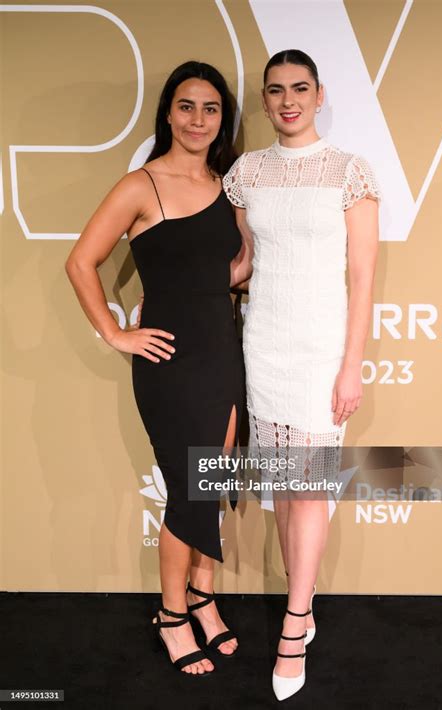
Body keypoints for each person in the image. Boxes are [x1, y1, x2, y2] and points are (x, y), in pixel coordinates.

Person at [65, 61, 250, 676]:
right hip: (170, 363)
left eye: (212, 108)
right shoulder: (140, 185)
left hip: (222, 353)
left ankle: (203, 595)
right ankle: (173, 616)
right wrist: (117, 332)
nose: (199, 119)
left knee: (212, 483)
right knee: (187, 489)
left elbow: (230, 271)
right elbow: (81, 262)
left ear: (223, 119)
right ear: (169, 112)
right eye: (187, 106)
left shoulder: (228, 186)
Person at [222, 49, 381, 700]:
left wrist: (350, 366)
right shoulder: (246, 173)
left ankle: (292, 627)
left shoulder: (349, 172)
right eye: (275, 90)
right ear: (264, 102)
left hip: (320, 356)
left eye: (300, 88)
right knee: (287, 491)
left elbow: (363, 279)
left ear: (319, 96)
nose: (288, 100)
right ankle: (305, 606)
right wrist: (180, 289)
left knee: (307, 488)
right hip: (264, 347)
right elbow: (244, 263)